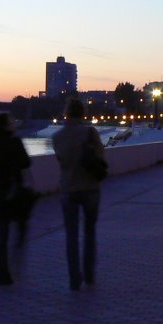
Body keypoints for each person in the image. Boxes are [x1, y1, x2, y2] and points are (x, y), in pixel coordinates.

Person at [52, 98, 105, 291]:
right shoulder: (90, 132)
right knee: (89, 233)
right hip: (91, 187)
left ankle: (74, 278)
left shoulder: (57, 137)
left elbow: (61, 161)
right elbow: (100, 155)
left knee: (71, 236)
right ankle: (89, 274)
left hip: (68, 189)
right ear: (83, 112)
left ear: (66, 112)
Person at [0, 112, 31, 287]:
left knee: (2, 237)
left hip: (0, 193)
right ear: (5, 126)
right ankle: (17, 261)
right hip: (17, 192)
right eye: (11, 121)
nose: (14, 123)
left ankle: (3, 275)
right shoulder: (16, 142)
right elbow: (26, 163)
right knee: (21, 228)